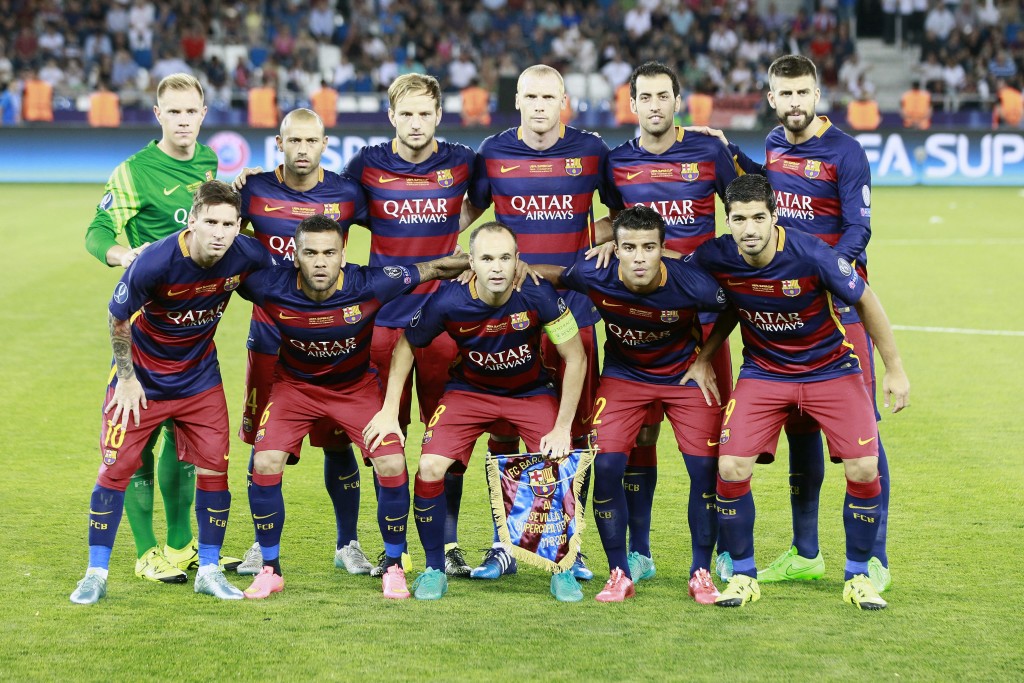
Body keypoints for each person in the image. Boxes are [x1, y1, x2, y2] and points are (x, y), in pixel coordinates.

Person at [685, 174, 909, 610]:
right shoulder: (716, 254)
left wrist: (894, 369)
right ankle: (743, 576)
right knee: (730, 466)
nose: (749, 229)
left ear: (775, 217)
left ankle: (859, 577)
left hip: (831, 371)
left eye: (758, 218)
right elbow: (673, 275)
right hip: (765, 373)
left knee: (865, 467)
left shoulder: (812, 254)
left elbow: (866, 300)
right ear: (727, 221)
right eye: (739, 219)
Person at [718, 55, 893, 593]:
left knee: (864, 437)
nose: (794, 103)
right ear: (771, 98)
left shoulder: (845, 151)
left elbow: (859, 230)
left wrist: (825, 275)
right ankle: (806, 551)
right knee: (799, 426)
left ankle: (876, 557)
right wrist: (730, 152)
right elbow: (768, 186)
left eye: (803, 93)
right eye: (785, 94)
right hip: (788, 303)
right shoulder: (775, 143)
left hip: (836, 305)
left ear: (817, 95)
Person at [236, 215, 470, 600]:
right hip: (295, 388)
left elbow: (433, 268)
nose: (320, 262)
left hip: (355, 389)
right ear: (295, 255)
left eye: (329, 253)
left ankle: (393, 567)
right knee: (264, 461)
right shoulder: (269, 285)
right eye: (311, 253)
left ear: (343, 254)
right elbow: (215, 272)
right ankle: (270, 569)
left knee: (391, 461)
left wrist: (480, 262)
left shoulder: (370, 283)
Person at [70, 180, 275, 605]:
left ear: (239, 225)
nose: (219, 233)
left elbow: (276, 288)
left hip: (200, 381)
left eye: (229, 224)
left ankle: (209, 570)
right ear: (192, 221)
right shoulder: (156, 261)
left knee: (215, 471)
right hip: (142, 382)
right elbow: (117, 316)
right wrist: (126, 379)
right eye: (211, 222)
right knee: (114, 470)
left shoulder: (248, 255)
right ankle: (95, 574)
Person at [362, 222, 586, 602]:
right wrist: (388, 411)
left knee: (558, 460)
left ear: (518, 260)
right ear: (472, 263)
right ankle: (434, 569)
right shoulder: (448, 300)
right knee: (430, 466)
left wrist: (563, 427)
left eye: (505, 258)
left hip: (529, 393)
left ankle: (561, 569)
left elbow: (575, 357)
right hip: (469, 392)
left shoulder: (538, 294)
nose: (496, 268)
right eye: (487, 258)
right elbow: (406, 345)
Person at [83, 73, 238, 584]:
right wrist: (127, 256)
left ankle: (180, 545)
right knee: (138, 440)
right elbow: (97, 231)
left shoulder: (208, 161)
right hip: (145, 326)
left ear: (203, 113)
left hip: (192, 330)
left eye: (191, 111)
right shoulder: (133, 172)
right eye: (173, 112)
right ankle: (146, 551)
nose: (183, 120)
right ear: (158, 115)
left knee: (184, 443)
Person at [533, 206, 726, 604]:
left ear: (662, 249)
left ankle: (701, 573)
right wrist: (516, 269)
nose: (639, 257)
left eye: (649, 247)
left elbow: (734, 306)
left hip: (683, 376)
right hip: (625, 378)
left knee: (706, 472)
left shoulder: (694, 283)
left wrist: (705, 357)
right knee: (605, 467)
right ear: (615, 249)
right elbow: (556, 275)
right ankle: (619, 573)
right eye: (630, 248)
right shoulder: (595, 272)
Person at [462, 64, 611, 581]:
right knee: (504, 429)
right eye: (531, 97)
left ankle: (569, 544)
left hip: (576, 309)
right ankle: (505, 543)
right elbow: (468, 212)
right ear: (518, 101)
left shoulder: (591, 150)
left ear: (563, 101)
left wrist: (605, 237)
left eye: (550, 97)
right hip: (511, 315)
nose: (540, 106)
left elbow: (621, 210)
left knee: (575, 432)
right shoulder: (493, 151)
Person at [598, 61, 738, 583]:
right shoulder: (617, 162)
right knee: (640, 435)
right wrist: (599, 243)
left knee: (715, 439)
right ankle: (639, 550)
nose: (655, 105)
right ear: (632, 104)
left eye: (664, 96)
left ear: (678, 101)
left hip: (705, 319)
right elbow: (615, 222)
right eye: (646, 97)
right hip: (643, 316)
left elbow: (745, 207)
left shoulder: (708, 152)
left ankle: (724, 548)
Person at [344, 73, 477, 578]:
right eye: (407, 114)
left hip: (445, 322)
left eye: (425, 113)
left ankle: (449, 543)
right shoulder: (367, 164)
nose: (416, 122)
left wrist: (453, 227)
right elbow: (335, 205)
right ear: (391, 116)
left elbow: (484, 199)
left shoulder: (462, 161)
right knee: (387, 437)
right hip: (384, 321)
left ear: (439, 115)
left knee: (449, 437)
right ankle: (393, 548)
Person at [229, 108, 373, 576]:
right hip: (269, 338)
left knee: (336, 443)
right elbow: (222, 231)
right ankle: (260, 544)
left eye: (312, 141)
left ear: (325, 144)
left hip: (331, 340)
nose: (303, 149)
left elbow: (394, 235)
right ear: (279, 143)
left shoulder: (347, 193)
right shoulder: (254, 190)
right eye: (294, 141)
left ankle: (348, 543)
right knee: (263, 444)